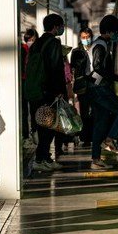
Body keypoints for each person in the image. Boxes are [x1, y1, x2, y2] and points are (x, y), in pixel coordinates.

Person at [29, 14, 68, 172]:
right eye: (61, 26)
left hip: (36, 90)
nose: (62, 28)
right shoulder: (53, 43)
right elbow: (55, 70)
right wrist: (59, 91)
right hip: (49, 91)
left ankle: (44, 158)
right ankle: (41, 159)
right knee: (49, 126)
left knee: (43, 125)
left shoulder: (36, 44)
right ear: (55, 27)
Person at [89, 15, 118, 170]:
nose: (117, 35)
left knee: (101, 124)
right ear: (109, 31)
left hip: (96, 88)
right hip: (99, 88)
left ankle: (95, 159)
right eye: (116, 32)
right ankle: (110, 139)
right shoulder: (100, 46)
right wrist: (114, 77)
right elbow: (97, 68)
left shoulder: (101, 44)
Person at [70, 27, 94, 147]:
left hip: (94, 84)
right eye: (83, 38)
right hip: (82, 85)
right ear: (80, 38)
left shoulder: (95, 48)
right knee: (84, 111)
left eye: (88, 37)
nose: (86, 40)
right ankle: (85, 137)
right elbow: (74, 67)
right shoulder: (76, 52)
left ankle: (92, 134)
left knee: (93, 110)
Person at [20, 28, 38, 145]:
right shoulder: (24, 49)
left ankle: (30, 134)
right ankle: (29, 134)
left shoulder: (27, 49)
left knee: (30, 110)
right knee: (28, 110)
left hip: (28, 82)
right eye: (30, 39)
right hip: (27, 82)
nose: (31, 41)